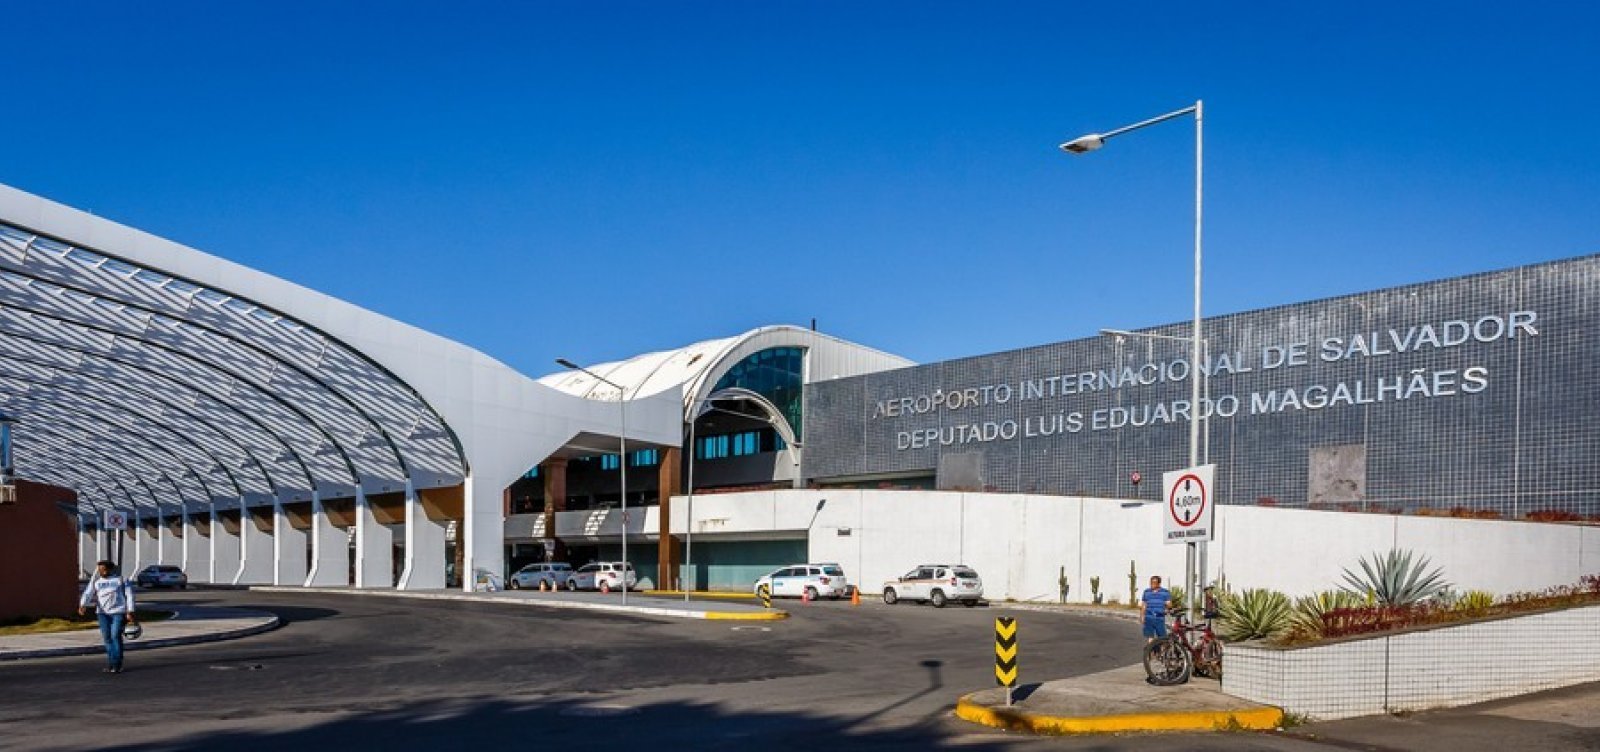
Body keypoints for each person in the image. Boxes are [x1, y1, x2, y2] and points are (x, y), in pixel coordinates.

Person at [78, 560, 138, 674]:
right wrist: (83, 604)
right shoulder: (96, 581)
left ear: (110, 569)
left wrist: (130, 611)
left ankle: (117, 664)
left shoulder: (121, 580)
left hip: (118, 612)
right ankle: (111, 663)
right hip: (102, 613)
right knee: (107, 638)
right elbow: (88, 592)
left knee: (115, 635)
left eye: (103, 569)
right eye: (99, 569)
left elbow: (129, 595)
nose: (101, 571)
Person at [1138, 575, 1171, 644]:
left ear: (1159, 584)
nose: (1152, 584)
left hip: (1159, 617)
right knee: (1150, 637)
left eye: (1154, 583)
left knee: (1162, 637)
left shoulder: (1165, 592)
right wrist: (1142, 616)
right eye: (1151, 583)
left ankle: (1161, 653)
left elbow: (1169, 604)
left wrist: (1167, 607)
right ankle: (1151, 653)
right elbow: (1144, 605)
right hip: (1149, 617)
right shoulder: (1146, 592)